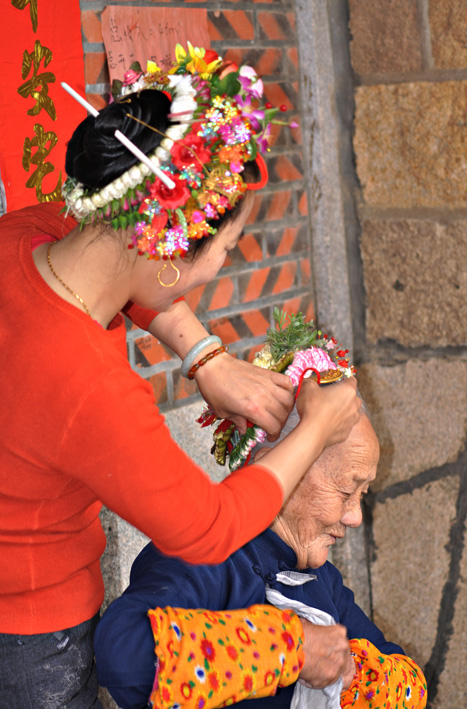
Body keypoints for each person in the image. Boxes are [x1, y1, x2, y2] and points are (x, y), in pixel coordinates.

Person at [0, 47, 361, 707]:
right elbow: (208, 527)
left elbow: (124, 277)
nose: (222, 266)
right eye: (224, 249)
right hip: (26, 628)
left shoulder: (27, 235)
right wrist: (316, 427)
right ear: (170, 252)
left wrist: (205, 357)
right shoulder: (86, 386)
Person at [94, 404, 427, 709]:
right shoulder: (204, 553)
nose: (355, 516)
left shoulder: (322, 580)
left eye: (362, 494)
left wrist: (350, 669)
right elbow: (124, 657)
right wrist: (288, 647)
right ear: (282, 464)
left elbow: (411, 686)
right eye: (345, 491)